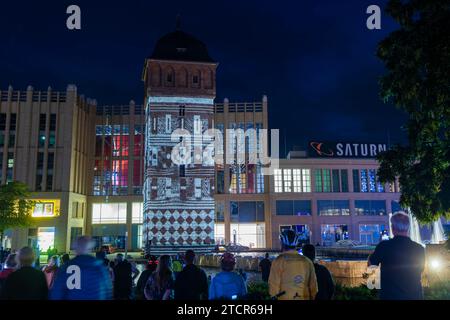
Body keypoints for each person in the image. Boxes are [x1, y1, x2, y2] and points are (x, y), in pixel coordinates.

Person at [368, 212, 425, 300]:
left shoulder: (384, 246)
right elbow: (420, 270)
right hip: (414, 296)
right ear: (408, 228)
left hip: (390, 296)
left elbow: (371, 266)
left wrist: (373, 287)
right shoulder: (419, 249)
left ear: (393, 228)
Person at [269, 230, 317, 300]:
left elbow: (273, 287)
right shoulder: (307, 261)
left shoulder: (278, 261)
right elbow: (314, 287)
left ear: (282, 244)